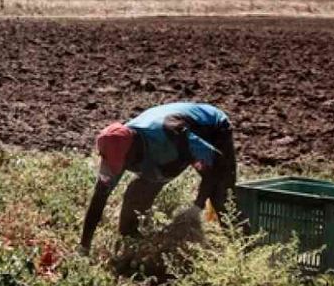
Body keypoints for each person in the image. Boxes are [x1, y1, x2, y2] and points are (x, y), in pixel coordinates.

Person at [79, 101, 237, 254]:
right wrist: (84, 248)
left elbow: (217, 163)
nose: (121, 168)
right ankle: (133, 246)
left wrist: (197, 206)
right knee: (137, 195)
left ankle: (240, 248)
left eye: (124, 162)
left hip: (211, 129)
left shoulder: (171, 133)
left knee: (223, 197)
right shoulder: (116, 147)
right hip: (165, 156)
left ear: (132, 150)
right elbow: (99, 199)